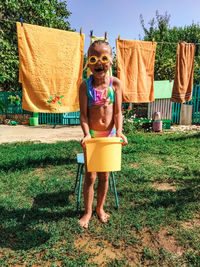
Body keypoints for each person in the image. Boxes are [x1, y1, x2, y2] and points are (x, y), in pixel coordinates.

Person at [79, 40, 127, 228]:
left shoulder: (115, 84)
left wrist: (120, 132)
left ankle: (100, 208)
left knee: (104, 175)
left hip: (109, 136)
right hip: (92, 136)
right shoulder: (85, 86)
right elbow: (83, 114)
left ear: (111, 62)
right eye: (94, 58)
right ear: (88, 64)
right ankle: (88, 212)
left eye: (104, 58)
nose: (99, 62)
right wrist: (86, 134)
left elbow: (117, 113)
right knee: (90, 176)